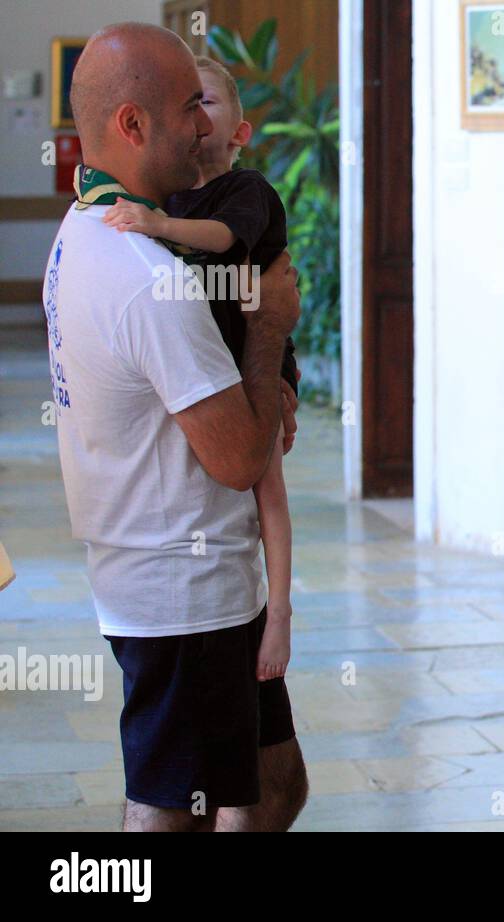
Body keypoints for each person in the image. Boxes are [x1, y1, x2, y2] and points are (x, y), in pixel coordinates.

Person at [42, 22, 306, 831]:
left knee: (274, 785)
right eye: (190, 106)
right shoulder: (145, 276)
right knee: (172, 816)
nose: (206, 123)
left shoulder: (83, 230)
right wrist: (267, 333)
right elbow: (235, 458)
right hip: (182, 596)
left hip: (194, 584)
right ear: (132, 124)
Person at [102, 55, 295, 682]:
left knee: (267, 491)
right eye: (187, 106)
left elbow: (218, 239)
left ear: (239, 133)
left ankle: (280, 614)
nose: (196, 119)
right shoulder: (171, 193)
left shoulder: (245, 192)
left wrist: (158, 223)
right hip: (214, 368)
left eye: (205, 103)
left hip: (255, 360)